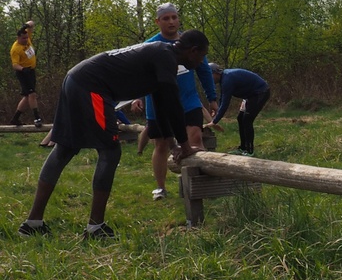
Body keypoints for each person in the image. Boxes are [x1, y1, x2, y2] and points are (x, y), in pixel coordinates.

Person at [16, 30, 210, 240]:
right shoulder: (165, 58)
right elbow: (172, 105)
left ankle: (32, 224)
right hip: (91, 86)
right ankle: (95, 227)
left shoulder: (161, 54)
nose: (201, 62)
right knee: (109, 151)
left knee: (65, 148)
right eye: (202, 57)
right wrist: (186, 145)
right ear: (193, 51)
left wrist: (174, 145)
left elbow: (162, 106)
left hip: (76, 78)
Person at [133, 3, 217, 201]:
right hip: (158, 104)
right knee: (161, 145)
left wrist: (212, 98)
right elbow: (140, 74)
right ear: (158, 22)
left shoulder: (191, 43)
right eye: (166, 18)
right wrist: (137, 96)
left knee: (195, 138)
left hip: (188, 100)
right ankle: (161, 188)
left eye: (174, 17)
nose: (171, 22)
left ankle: (198, 183)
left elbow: (204, 71)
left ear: (179, 19)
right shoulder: (151, 45)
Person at [209, 62, 270, 156]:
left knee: (247, 120)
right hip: (250, 95)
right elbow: (222, 97)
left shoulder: (227, 79)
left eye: (210, 76)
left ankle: (250, 151)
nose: (209, 79)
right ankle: (243, 148)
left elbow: (225, 103)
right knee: (240, 118)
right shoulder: (224, 78)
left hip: (260, 92)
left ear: (216, 73)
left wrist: (214, 121)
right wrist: (217, 112)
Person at [9, 20, 44, 127]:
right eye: (23, 38)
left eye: (26, 38)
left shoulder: (27, 37)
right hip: (23, 72)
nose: (26, 40)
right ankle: (37, 117)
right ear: (18, 38)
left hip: (31, 71)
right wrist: (23, 69)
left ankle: (15, 119)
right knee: (32, 94)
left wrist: (26, 25)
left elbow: (32, 23)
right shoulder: (15, 49)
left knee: (26, 96)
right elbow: (15, 65)